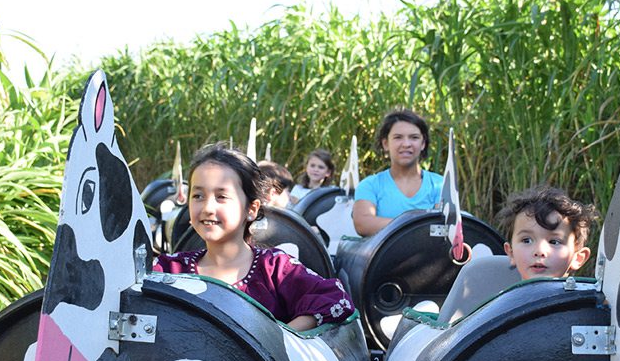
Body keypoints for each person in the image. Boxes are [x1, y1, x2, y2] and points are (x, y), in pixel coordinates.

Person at [154, 143, 354, 330]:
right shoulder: (169, 271)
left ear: (251, 209)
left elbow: (337, 299)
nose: (207, 207)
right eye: (198, 196)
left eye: (221, 197)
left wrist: (280, 337)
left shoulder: (275, 269)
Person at [352, 109, 444, 236]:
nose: (406, 144)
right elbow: (363, 224)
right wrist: (417, 225)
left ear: (423, 143)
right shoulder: (370, 185)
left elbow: (445, 225)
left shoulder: (440, 184)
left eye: (414, 138)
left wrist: (398, 226)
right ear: (385, 144)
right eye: (398, 137)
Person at [495, 186, 598, 279]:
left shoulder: (589, 299)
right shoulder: (501, 299)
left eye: (554, 242)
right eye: (527, 240)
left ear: (578, 258)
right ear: (511, 253)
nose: (540, 251)